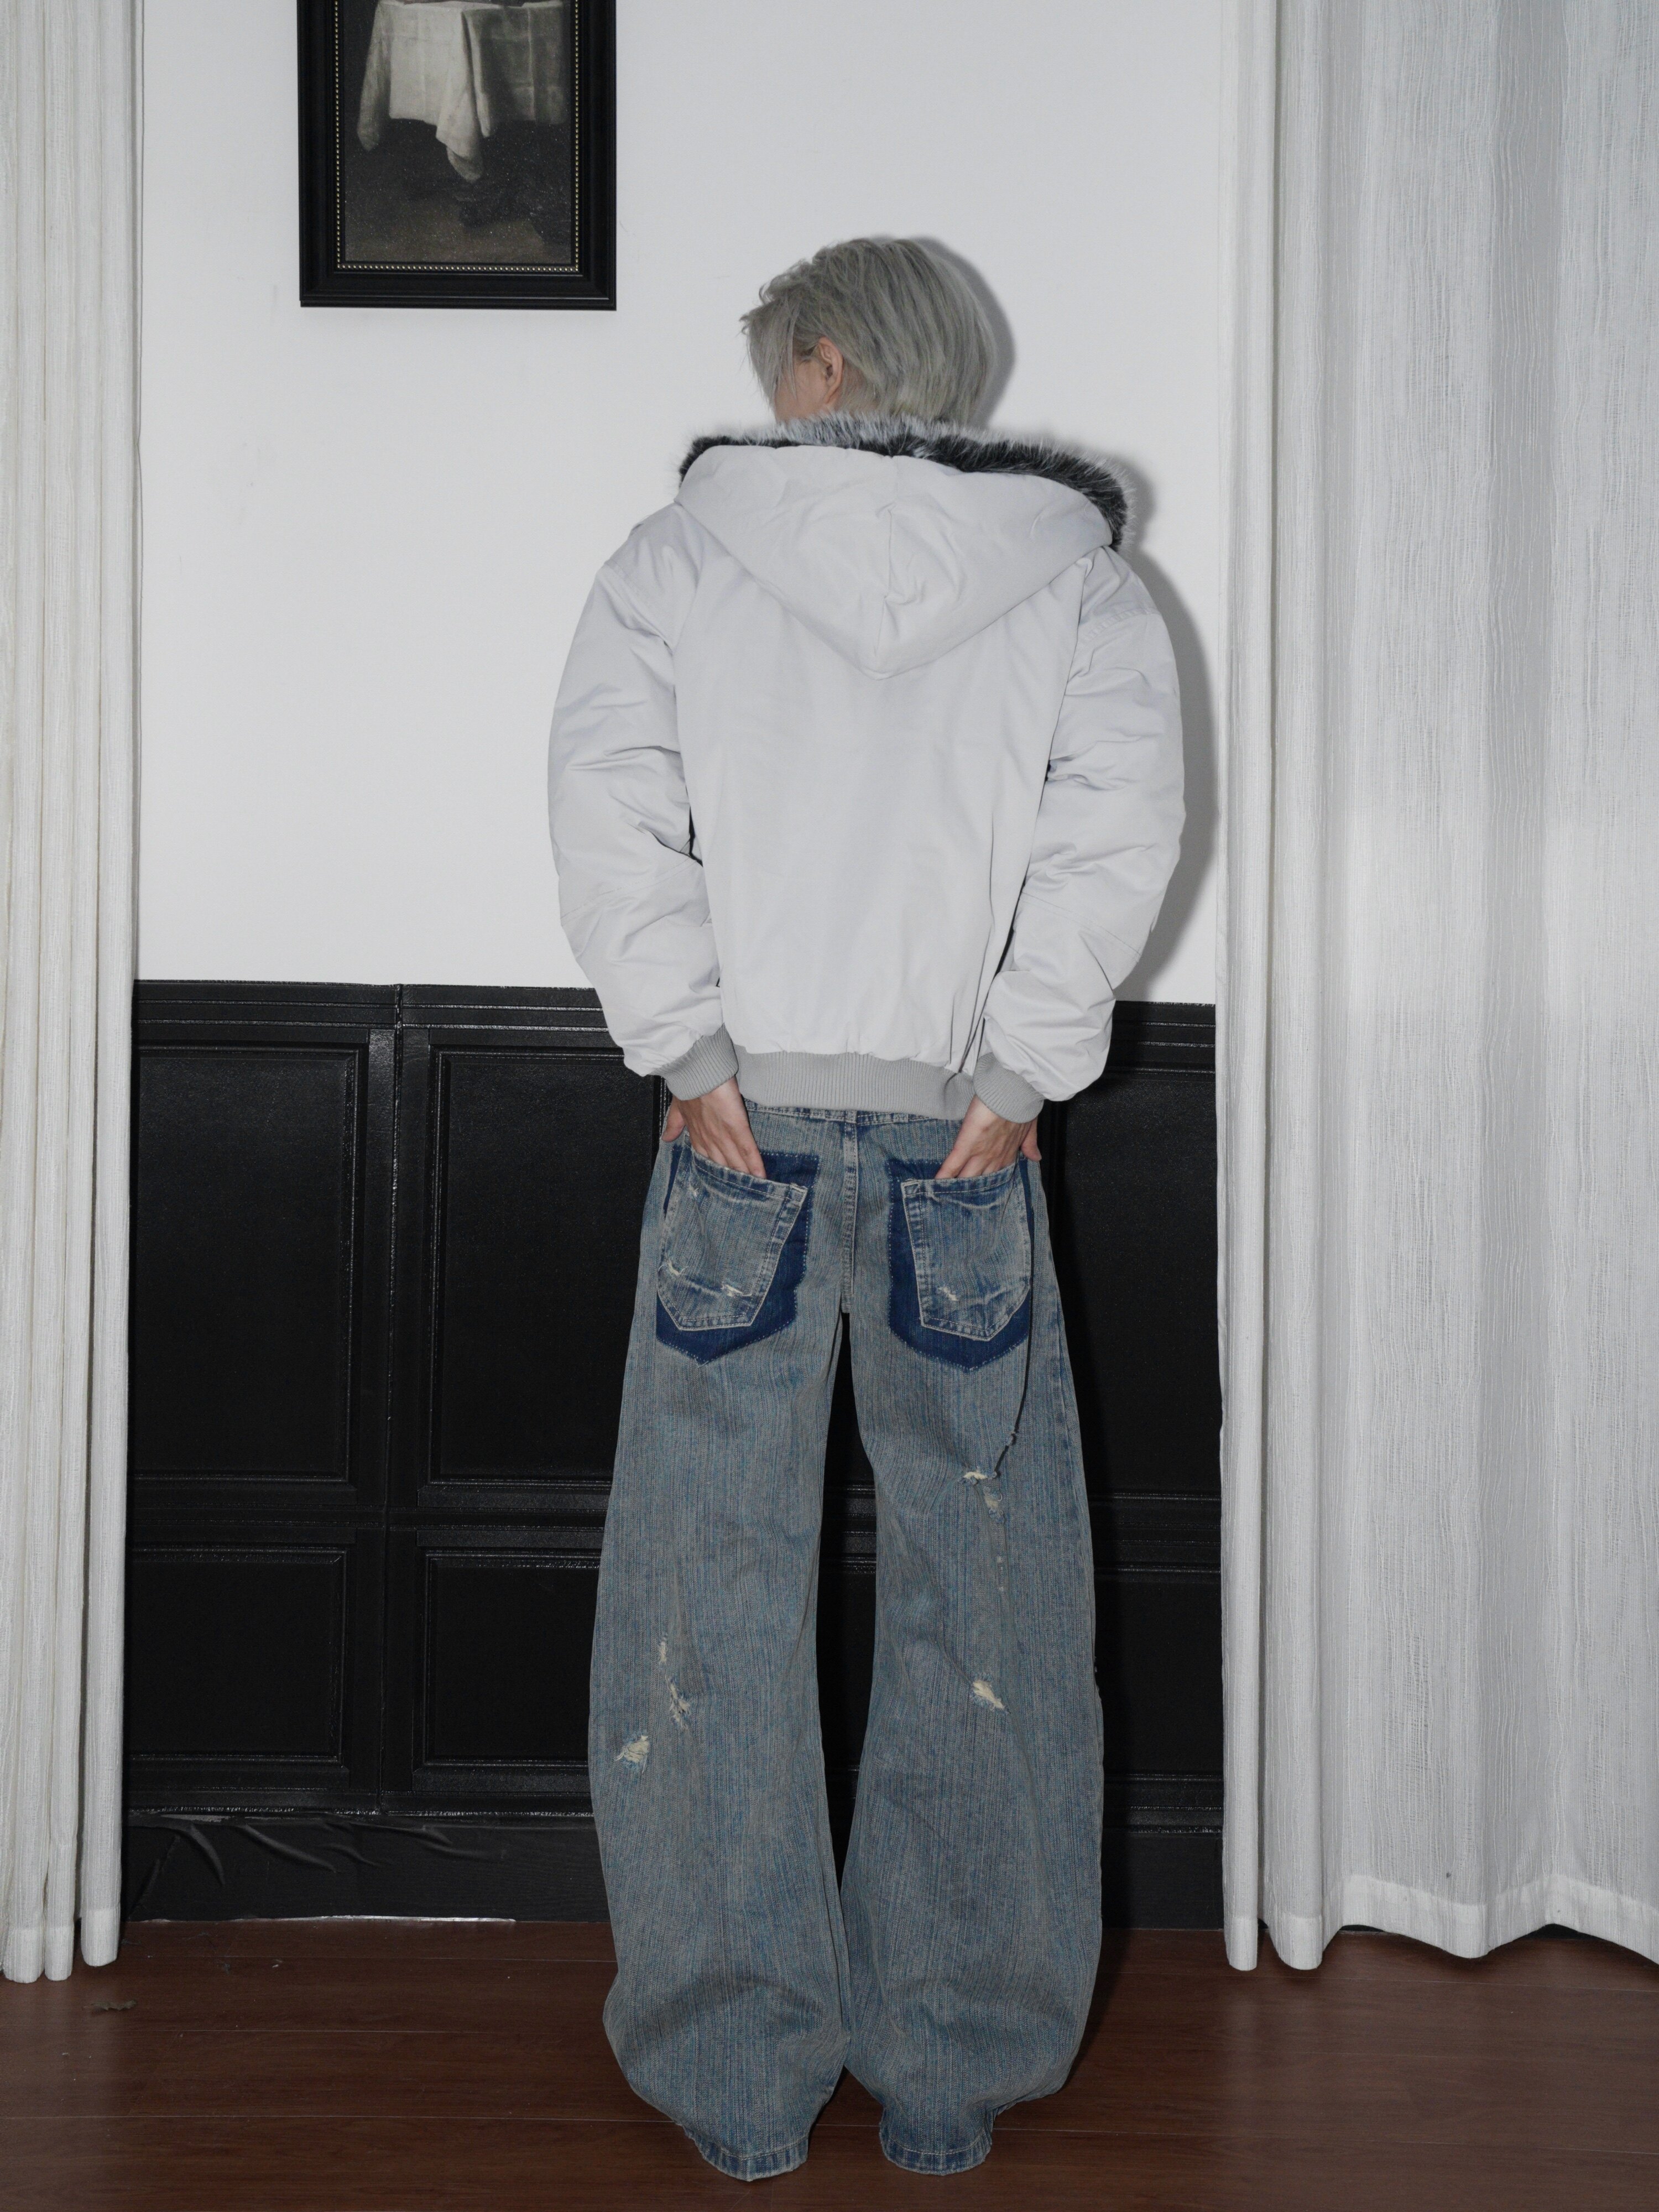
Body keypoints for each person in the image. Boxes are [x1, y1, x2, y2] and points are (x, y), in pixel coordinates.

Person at [547, 236, 1184, 2181]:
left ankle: (738, 2084)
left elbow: (607, 801)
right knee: (989, 1595)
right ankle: (952, 2072)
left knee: (704, 1594)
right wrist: (1019, 1071)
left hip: (736, 1127)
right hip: (957, 1142)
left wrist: (685, 1047)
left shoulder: (680, 557)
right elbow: (1115, 834)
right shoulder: (1079, 582)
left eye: (781, 362)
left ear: (825, 360)